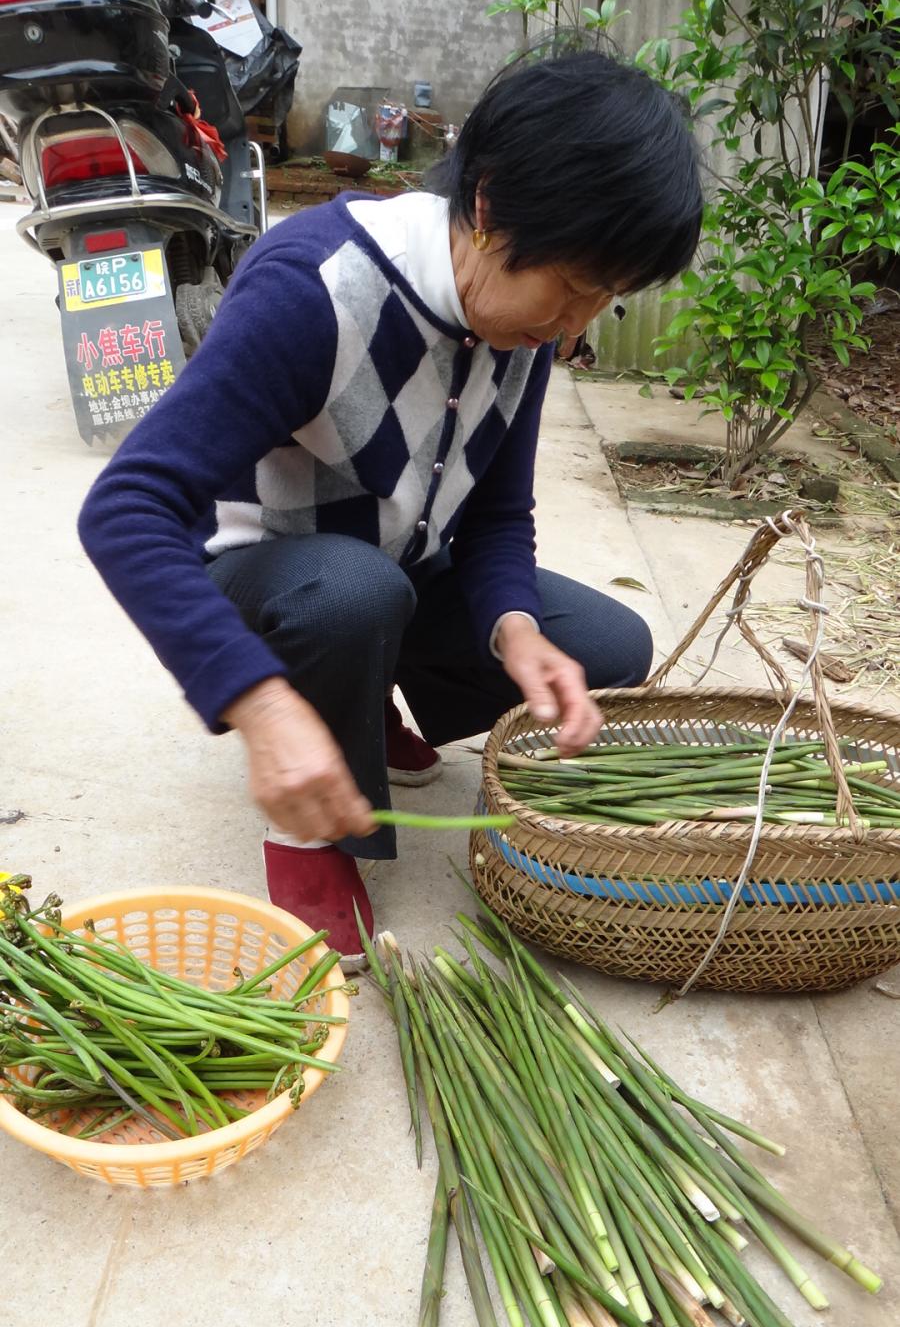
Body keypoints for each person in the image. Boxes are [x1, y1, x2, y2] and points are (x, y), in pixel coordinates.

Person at [78, 49, 703, 967]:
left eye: (604, 302)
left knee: (608, 650)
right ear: (488, 208)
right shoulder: (315, 287)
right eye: (572, 289)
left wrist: (516, 628)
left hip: (400, 566)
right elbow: (126, 507)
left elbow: (495, 514)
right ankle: (311, 834)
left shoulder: (523, 329)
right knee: (348, 595)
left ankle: (359, 700)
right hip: (277, 568)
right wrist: (258, 705)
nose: (575, 326)